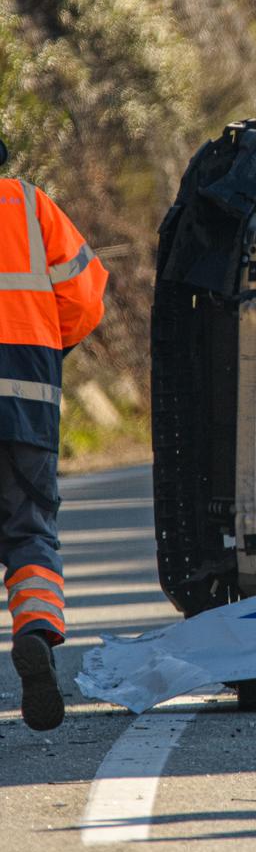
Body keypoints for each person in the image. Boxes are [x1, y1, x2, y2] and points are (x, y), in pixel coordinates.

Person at [0, 135, 108, 732]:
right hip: (26, 399)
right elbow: (86, 294)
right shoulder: (30, 205)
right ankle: (37, 630)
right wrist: (47, 343)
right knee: (29, 531)